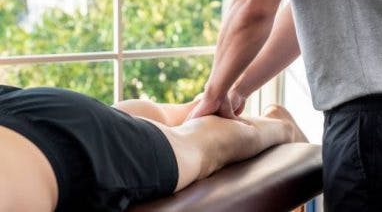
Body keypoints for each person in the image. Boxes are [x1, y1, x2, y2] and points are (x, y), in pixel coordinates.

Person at [189, 0, 382, 211]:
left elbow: (252, 5)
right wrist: (237, 89)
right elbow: (309, 13)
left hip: (372, 132)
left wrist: (213, 94)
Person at [0, 85, 307, 212]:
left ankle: (279, 124)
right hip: (26, 112)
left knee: (200, 146)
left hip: (70, 144)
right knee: (137, 119)